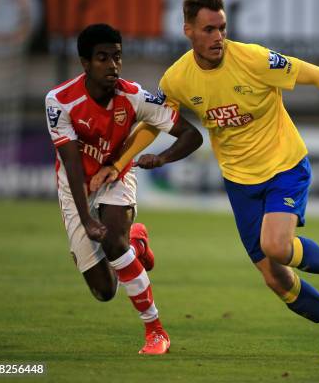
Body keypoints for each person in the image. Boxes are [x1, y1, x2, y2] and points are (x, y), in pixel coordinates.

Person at [91, 0, 319, 358]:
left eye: (221, 28)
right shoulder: (177, 79)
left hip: (285, 166)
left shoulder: (254, 59)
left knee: (276, 246)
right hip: (240, 182)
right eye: (208, 29)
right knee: (276, 277)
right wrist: (119, 164)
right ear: (188, 30)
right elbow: (155, 124)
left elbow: (317, 75)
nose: (217, 36)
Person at [45, 24, 202, 354]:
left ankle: (155, 331)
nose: (112, 65)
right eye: (103, 58)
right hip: (75, 187)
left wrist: (161, 158)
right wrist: (86, 219)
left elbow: (192, 135)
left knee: (114, 244)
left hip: (116, 176)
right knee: (104, 290)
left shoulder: (133, 96)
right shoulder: (59, 101)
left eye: (116, 57)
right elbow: (72, 164)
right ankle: (136, 242)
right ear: (85, 63)